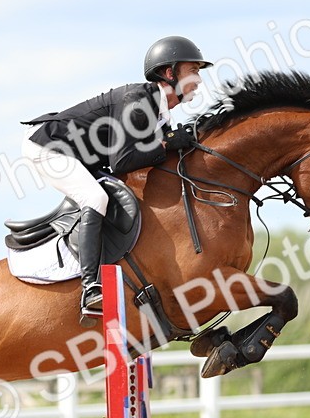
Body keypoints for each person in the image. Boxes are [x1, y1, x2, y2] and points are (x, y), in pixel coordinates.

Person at [21, 36, 212, 324]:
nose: (198, 79)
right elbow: (122, 161)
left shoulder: (160, 115)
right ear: (169, 73)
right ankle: (90, 288)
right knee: (95, 198)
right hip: (48, 146)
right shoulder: (137, 101)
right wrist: (168, 143)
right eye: (193, 70)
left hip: (82, 154)